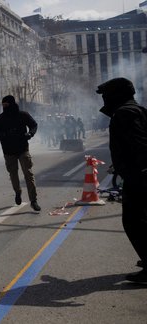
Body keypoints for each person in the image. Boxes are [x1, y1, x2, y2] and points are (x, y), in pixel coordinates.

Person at [96, 77, 147, 282]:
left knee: (134, 222)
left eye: (107, 95)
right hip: (138, 175)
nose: (104, 100)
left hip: (139, 178)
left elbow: (140, 143)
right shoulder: (137, 110)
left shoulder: (124, 114)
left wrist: (141, 172)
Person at [0, 95, 41, 211]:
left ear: (12, 104)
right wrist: (4, 135)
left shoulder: (23, 115)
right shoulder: (0, 119)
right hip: (8, 152)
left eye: (6, 105)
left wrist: (30, 134)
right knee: (13, 174)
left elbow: (34, 125)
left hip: (23, 149)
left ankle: (33, 200)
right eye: (3, 105)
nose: (5, 107)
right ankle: (18, 192)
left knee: (28, 174)